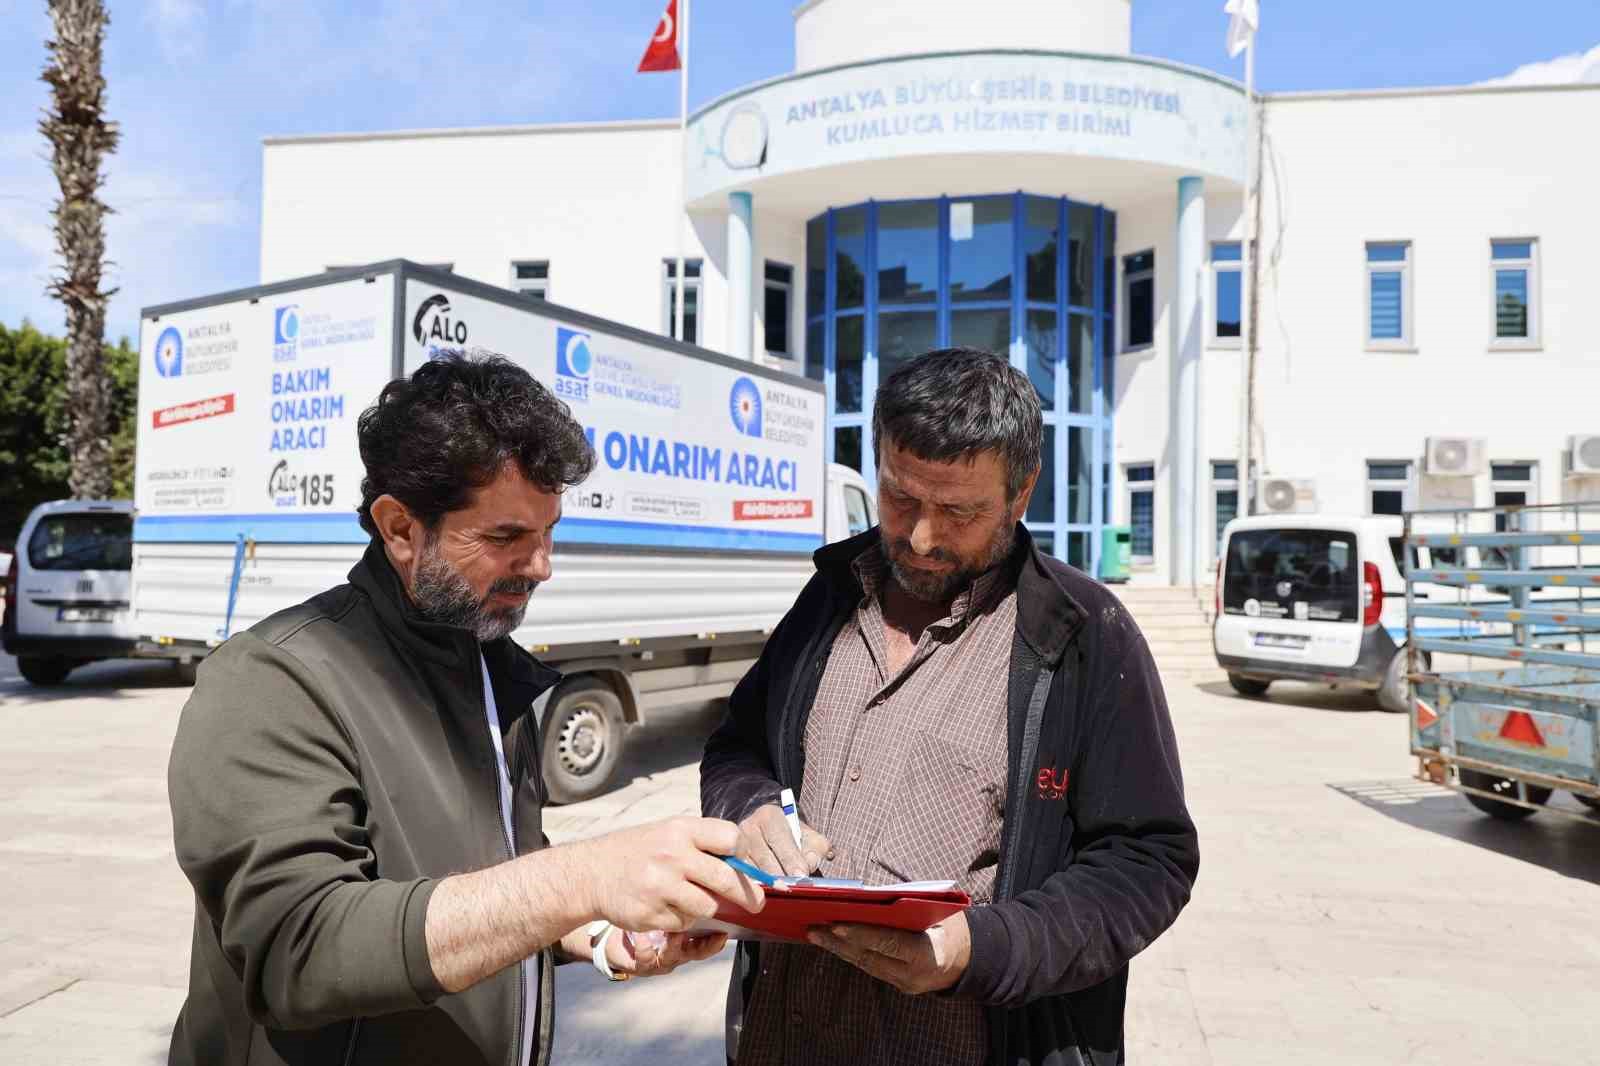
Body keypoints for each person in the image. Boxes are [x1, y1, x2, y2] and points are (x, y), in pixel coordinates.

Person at [167, 351, 762, 1066]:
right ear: (398, 528)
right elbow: (299, 947)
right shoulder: (273, 680)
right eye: (505, 537)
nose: (541, 565)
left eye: (548, 534)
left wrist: (598, 933)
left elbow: (491, 877)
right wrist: (583, 877)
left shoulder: (487, 666)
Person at [701, 348, 1199, 1066]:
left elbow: (1149, 862)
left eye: (960, 511)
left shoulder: (1084, 638)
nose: (923, 537)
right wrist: (748, 809)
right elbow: (737, 746)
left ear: (1021, 493)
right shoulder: (828, 600)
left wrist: (981, 949)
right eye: (901, 499)